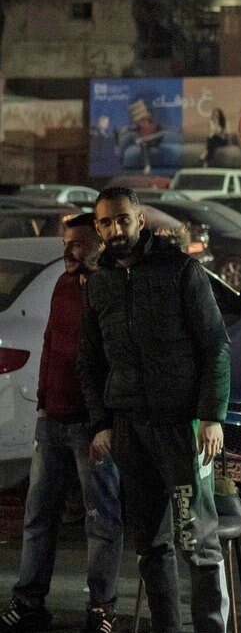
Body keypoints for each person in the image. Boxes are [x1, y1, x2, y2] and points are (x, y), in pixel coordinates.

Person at [79, 187, 232, 633]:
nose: (115, 229)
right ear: (99, 227)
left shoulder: (180, 270)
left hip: (181, 430)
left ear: (140, 219)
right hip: (129, 432)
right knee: (150, 546)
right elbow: (89, 362)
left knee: (197, 544)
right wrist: (101, 425)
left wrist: (211, 416)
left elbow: (215, 346)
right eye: (105, 223)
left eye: (122, 219)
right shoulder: (100, 283)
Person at [0, 213, 123, 633]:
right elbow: (51, 342)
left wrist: (105, 421)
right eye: (65, 243)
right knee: (39, 514)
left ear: (99, 243)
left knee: (101, 517)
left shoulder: (110, 287)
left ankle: (102, 608)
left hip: (92, 424)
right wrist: (41, 406)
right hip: (52, 419)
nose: (69, 251)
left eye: (79, 243)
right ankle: (29, 602)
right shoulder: (63, 285)